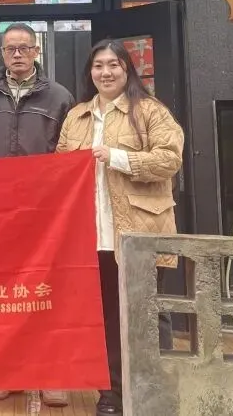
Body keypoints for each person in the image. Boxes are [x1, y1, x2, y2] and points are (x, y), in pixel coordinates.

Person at [56, 40, 184, 416]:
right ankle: (111, 395)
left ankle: (154, 395)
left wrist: (117, 157)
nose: (106, 72)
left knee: (148, 314)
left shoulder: (150, 110)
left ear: (127, 69)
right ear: (90, 72)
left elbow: (170, 159)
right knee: (106, 318)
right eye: (98, 66)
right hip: (93, 234)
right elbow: (59, 165)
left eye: (114, 64)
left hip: (140, 232)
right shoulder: (77, 116)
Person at [0, 22, 74, 406]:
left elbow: (70, 152)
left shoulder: (60, 97)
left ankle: (51, 374)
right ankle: (6, 371)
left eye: (24, 47)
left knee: (47, 292)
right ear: (2, 53)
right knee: (3, 293)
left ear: (36, 51)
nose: (17, 54)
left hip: (45, 212)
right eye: (10, 48)